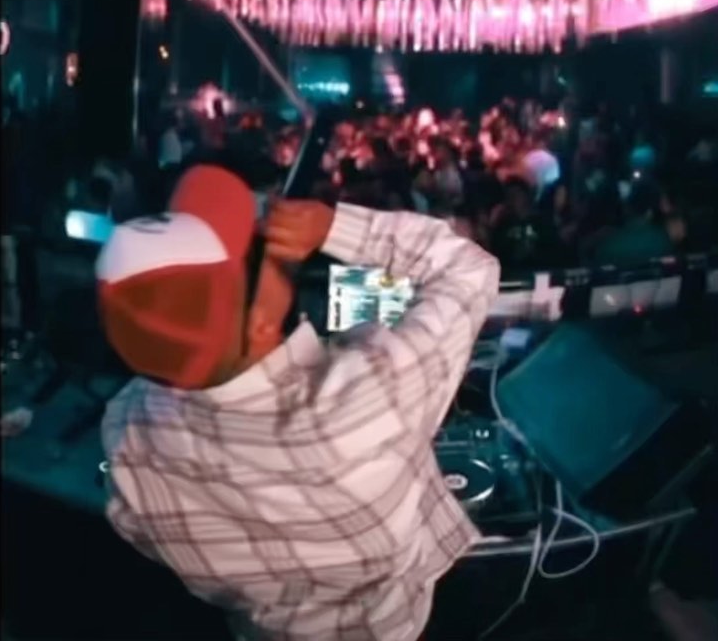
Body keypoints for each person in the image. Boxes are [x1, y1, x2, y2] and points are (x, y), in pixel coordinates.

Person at [97, 164, 500, 641]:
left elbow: (140, 530)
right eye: (255, 248)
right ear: (260, 323)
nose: (266, 239)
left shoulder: (125, 439)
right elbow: (469, 268)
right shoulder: (374, 395)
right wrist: (332, 227)